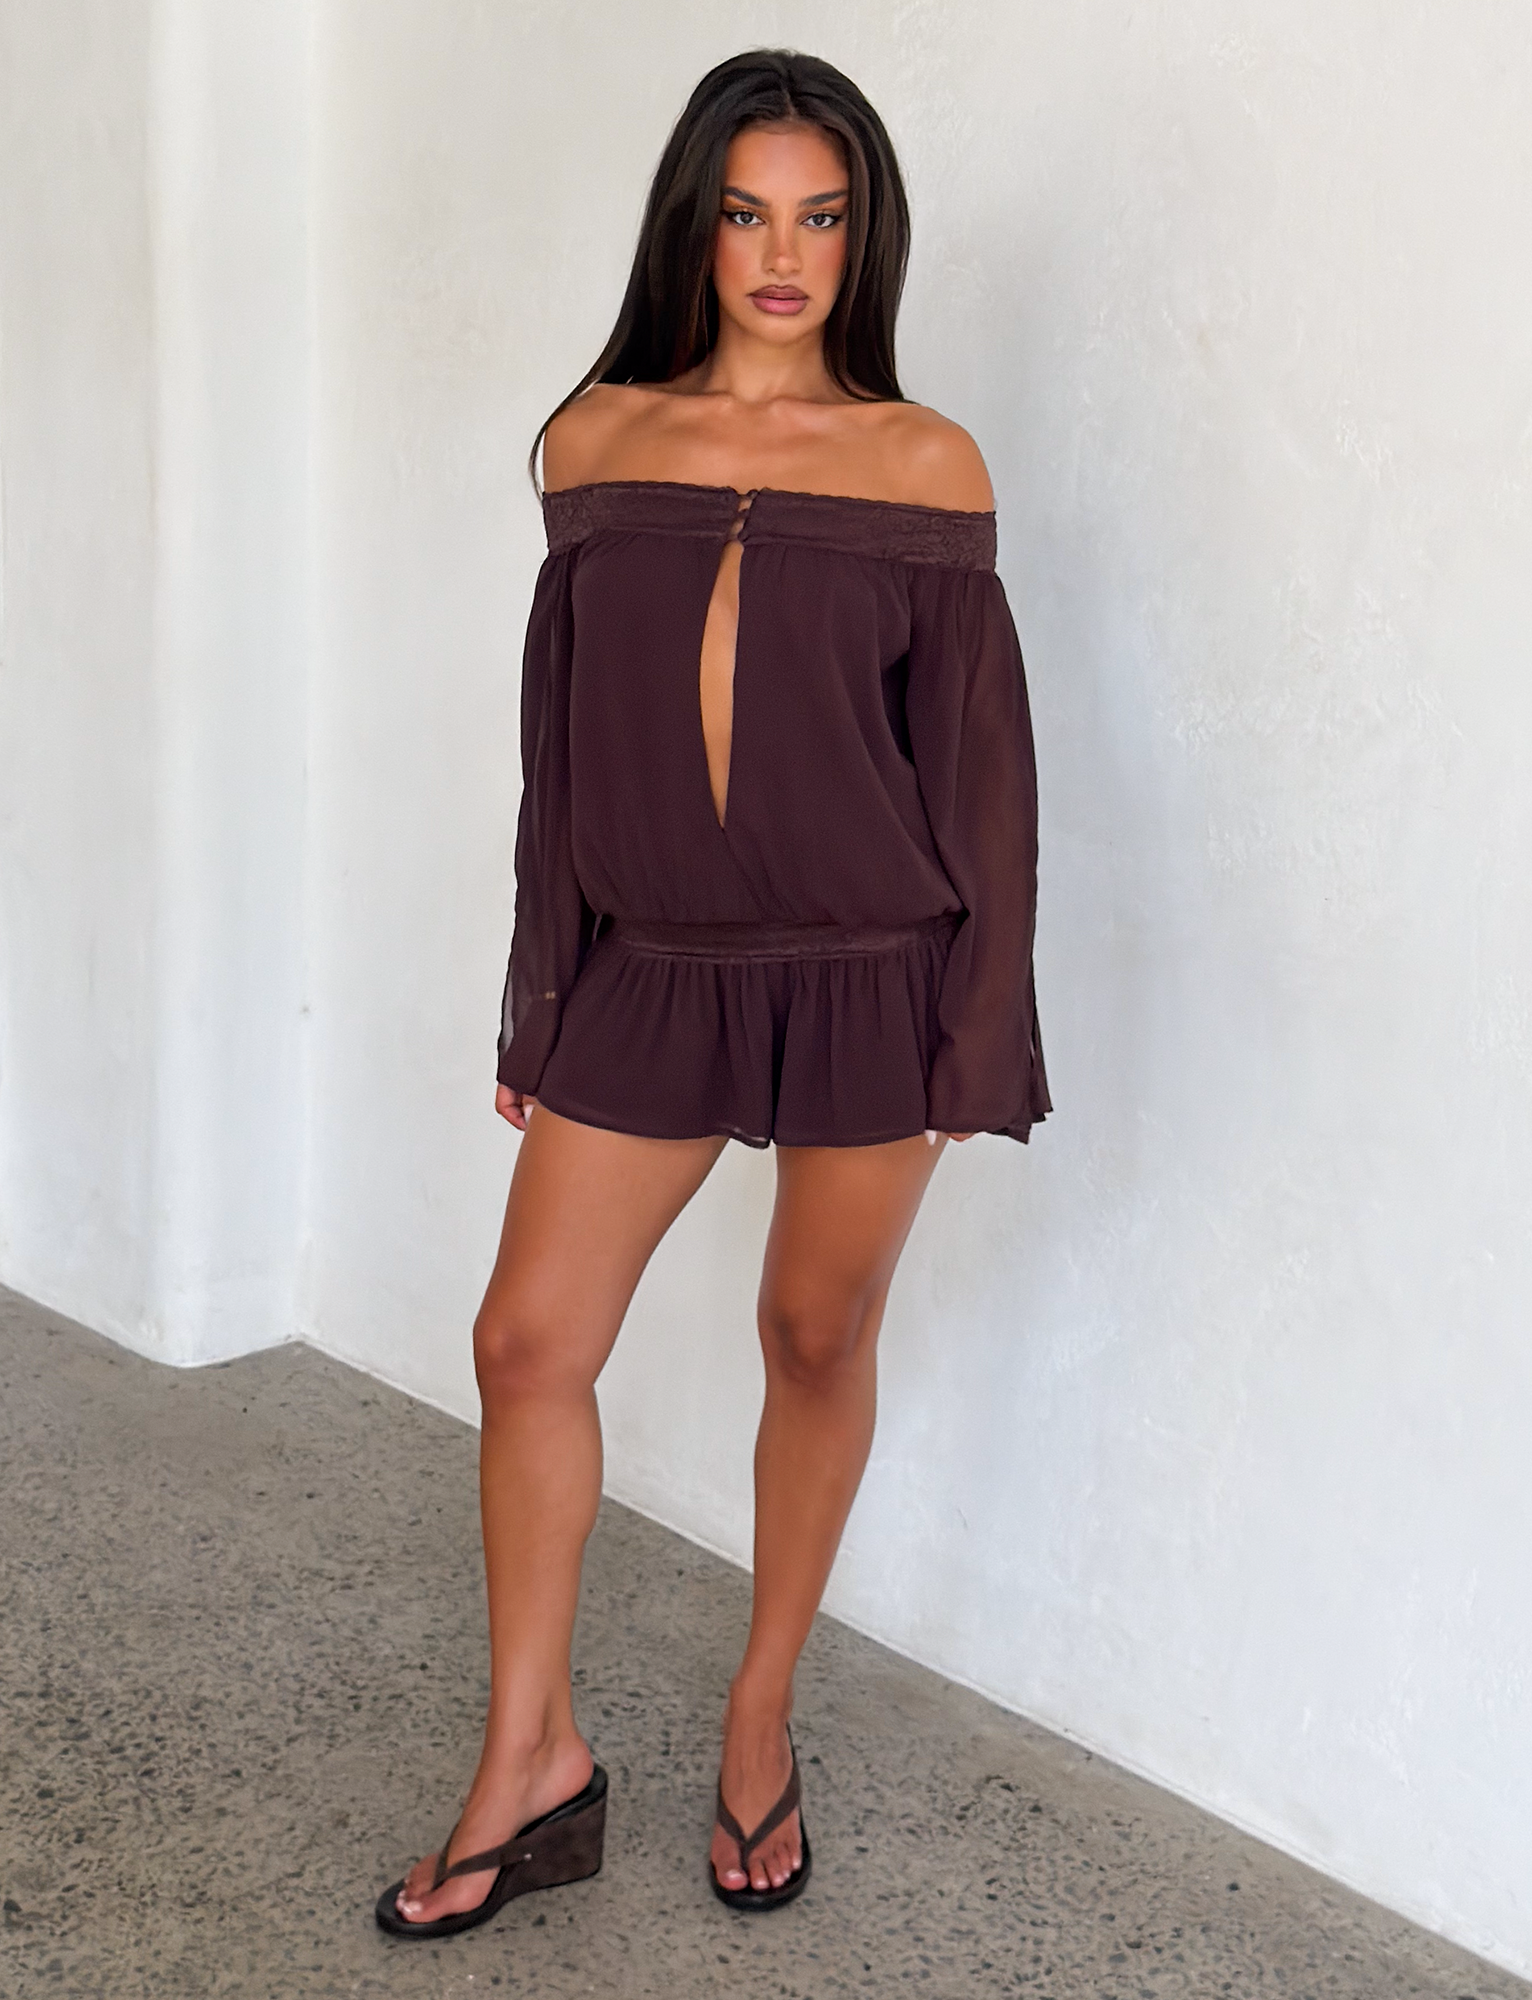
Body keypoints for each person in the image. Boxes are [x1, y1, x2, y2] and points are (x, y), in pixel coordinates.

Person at [375, 46, 1048, 1940]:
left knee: (811, 1338)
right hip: (651, 972)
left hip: (869, 980)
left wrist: (974, 1034)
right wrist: (541, 996)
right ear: (696, 220)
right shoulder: (597, 438)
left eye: (822, 216)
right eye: (749, 211)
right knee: (528, 1343)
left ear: (865, 238)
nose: (785, 253)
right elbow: (560, 760)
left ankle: (759, 1726)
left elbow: (985, 788)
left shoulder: (926, 467)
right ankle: (532, 1758)